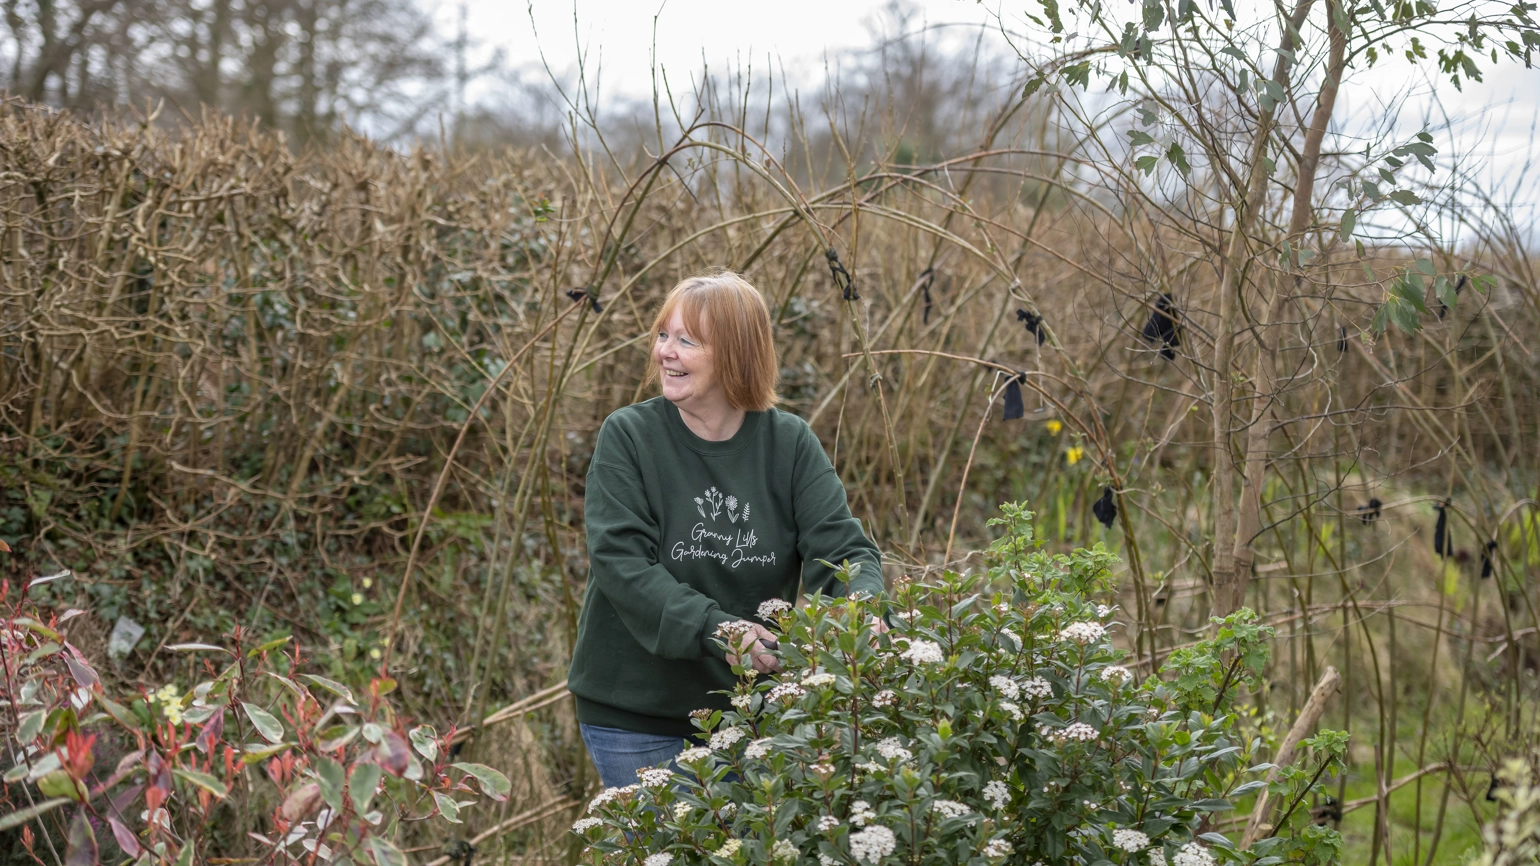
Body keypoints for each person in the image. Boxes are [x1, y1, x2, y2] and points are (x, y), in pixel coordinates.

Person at [567, 271, 885, 789]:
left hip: (750, 718)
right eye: (662, 335)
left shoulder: (789, 444)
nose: (664, 352)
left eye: (686, 341)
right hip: (636, 716)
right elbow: (621, 562)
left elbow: (842, 547)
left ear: (736, 354)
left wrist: (864, 608)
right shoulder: (628, 437)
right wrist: (720, 629)